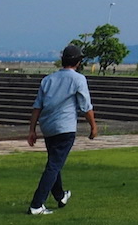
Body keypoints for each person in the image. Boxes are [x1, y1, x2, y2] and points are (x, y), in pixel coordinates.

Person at [27, 44, 97, 215]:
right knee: (53, 166)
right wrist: (93, 126)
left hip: (48, 127)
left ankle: (60, 195)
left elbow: (37, 106)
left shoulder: (48, 79)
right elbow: (85, 106)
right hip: (65, 128)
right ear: (78, 62)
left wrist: (32, 129)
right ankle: (37, 205)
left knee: (54, 162)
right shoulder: (78, 79)